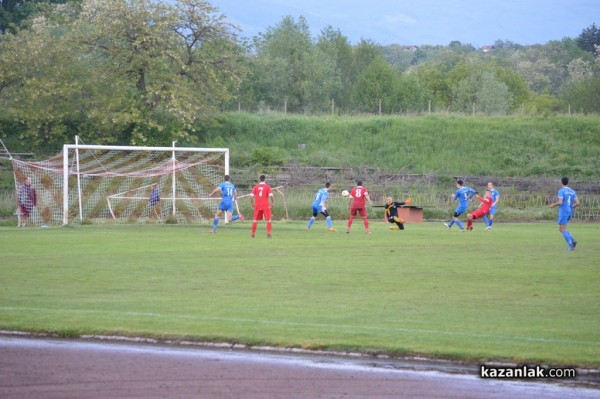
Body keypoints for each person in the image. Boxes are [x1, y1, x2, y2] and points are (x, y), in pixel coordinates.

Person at [549, 177, 579, 251]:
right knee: (563, 228)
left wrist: (553, 205)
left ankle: (571, 245)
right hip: (569, 211)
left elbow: (560, 202)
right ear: (568, 182)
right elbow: (578, 203)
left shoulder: (561, 191)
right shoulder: (572, 191)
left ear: (561, 182)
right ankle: (573, 240)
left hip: (564, 211)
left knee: (561, 229)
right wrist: (571, 207)